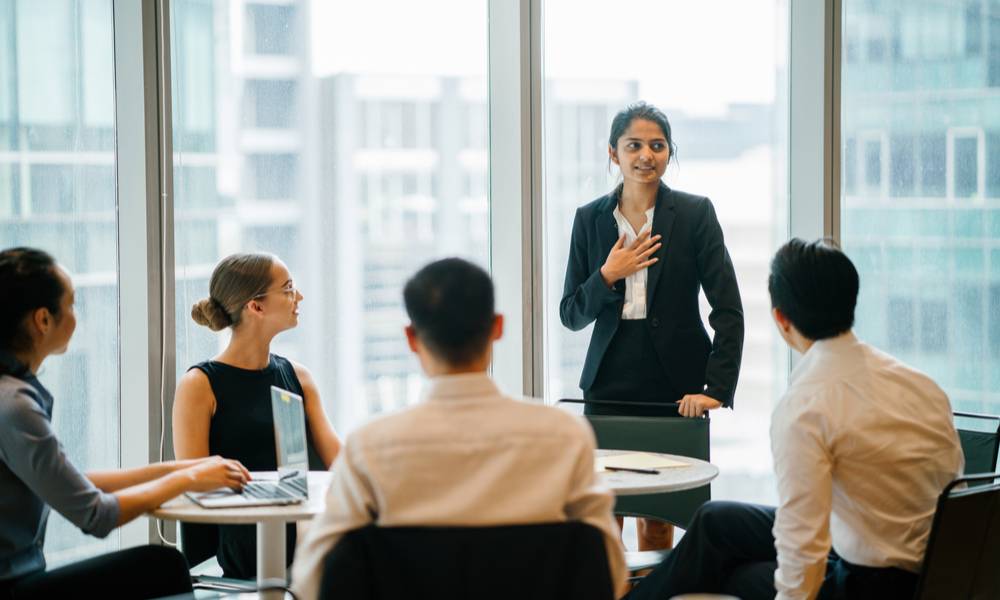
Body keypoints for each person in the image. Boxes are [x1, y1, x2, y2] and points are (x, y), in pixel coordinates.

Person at [627, 238, 964, 600]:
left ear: (781, 319)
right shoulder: (919, 383)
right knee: (715, 521)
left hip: (873, 584)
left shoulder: (806, 406)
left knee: (735, 576)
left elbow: (804, 544)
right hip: (933, 568)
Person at [291, 258, 628, 600]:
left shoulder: (370, 446)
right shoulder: (564, 436)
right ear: (497, 327)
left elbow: (314, 580)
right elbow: (609, 571)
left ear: (411, 337)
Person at [0, 247, 250, 599]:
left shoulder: (12, 396)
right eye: (72, 305)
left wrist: (187, 467)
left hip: (20, 577)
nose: (76, 316)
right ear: (43, 320)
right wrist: (188, 478)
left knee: (162, 567)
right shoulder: (14, 405)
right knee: (162, 567)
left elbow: (75, 483)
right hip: (14, 586)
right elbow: (96, 515)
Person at [560, 101, 744, 550]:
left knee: (659, 520)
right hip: (608, 386)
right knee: (605, 520)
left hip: (675, 388)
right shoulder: (589, 219)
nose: (646, 155)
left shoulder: (696, 214)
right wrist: (608, 274)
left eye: (657, 146)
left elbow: (728, 309)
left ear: (669, 153)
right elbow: (571, 313)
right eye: (634, 145)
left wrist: (716, 389)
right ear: (613, 153)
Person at [172, 252, 341, 579]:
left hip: (303, 526)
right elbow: (195, 481)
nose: (299, 297)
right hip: (242, 534)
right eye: (288, 288)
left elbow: (339, 462)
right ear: (256, 306)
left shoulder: (299, 376)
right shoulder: (199, 385)